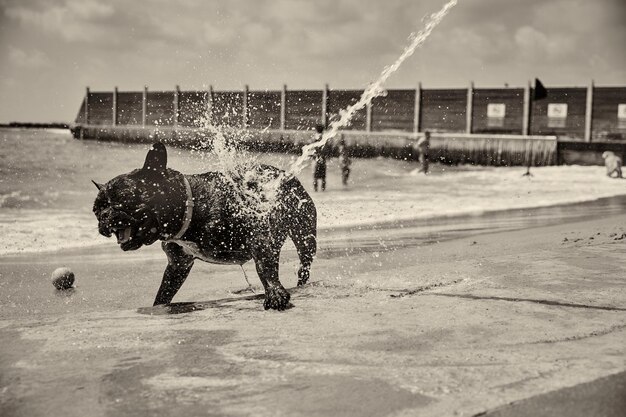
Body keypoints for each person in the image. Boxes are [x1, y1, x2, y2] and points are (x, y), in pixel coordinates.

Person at [312, 124, 327, 192]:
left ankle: (316, 191)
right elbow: (326, 149)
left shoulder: (316, 137)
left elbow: (314, 148)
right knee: (323, 176)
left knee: (315, 176)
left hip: (317, 158)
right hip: (323, 159)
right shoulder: (324, 137)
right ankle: (323, 191)